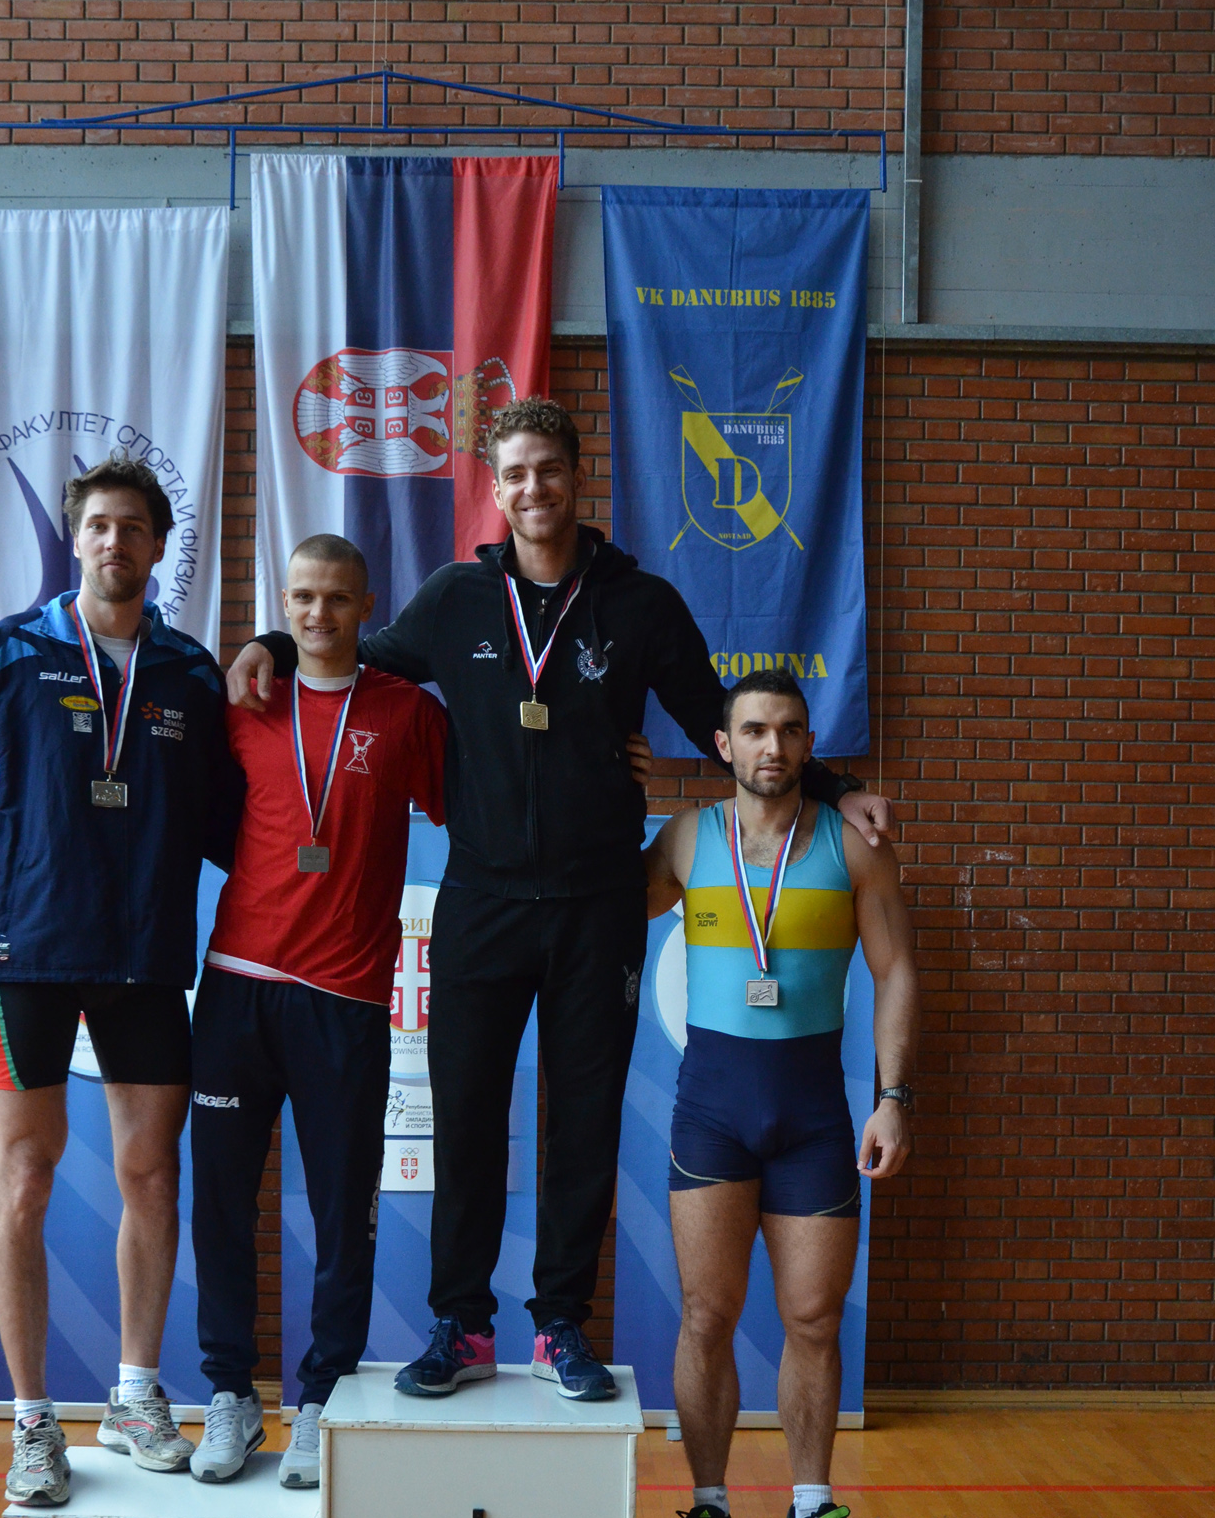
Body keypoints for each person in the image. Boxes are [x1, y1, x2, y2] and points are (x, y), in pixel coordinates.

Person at [226, 399, 892, 1403]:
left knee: (581, 1123)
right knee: (467, 1119)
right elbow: (357, 655)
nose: (532, 488)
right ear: (495, 490)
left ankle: (560, 1325)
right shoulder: (455, 599)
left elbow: (719, 718)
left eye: (548, 469)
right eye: (515, 474)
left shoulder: (640, 604)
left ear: (578, 478)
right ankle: (461, 1322)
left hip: (596, 904)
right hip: (483, 902)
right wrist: (273, 645)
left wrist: (837, 790)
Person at [0, 454, 240, 1508]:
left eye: (133, 527)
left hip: (144, 955)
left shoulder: (188, 674)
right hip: (24, 952)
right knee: (26, 1174)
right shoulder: (8, 655)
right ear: (75, 539)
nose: (114, 542)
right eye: (98, 525)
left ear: (158, 546)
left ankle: (134, 1396)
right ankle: (34, 1421)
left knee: (152, 1175)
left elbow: (233, 821)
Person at [642, 668, 919, 1518]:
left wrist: (893, 1097)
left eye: (790, 729)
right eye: (755, 730)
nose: (773, 746)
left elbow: (897, 971)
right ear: (724, 744)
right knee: (706, 1316)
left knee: (812, 1317)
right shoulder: (687, 839)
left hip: (810, 1117)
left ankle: (811, 1506)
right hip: (711, 1114)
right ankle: (708, 1507)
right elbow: (599, 900)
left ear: (809, 744)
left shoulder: (853, 844)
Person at [187, 535, 446, 1487]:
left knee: (343, 1212)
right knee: (220, 1202)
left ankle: (322, 1396)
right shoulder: (245, 701)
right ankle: (228, 1392)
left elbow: (481, 807)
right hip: (237, 984)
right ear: (283, 601)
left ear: (368, 605)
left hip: (346, 997)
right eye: (302, 597)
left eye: (337, 598)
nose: (318, 614)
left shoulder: (407, 711)